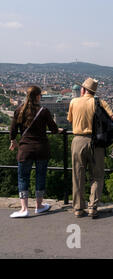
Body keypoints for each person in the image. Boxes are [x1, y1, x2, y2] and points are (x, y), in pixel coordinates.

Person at [67, 78, 113, 218]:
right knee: (97, 175)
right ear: (94, 91)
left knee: (77, 175)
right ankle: (93, 208)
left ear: (83, 90)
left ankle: (78, 208)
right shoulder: (100, 102)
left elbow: (70, 120)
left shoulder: (74, 102)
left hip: (78, 141)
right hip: (97, 142)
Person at [9, 85, 63, 218]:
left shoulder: (19, 110)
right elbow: (53, 128)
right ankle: (39, 206)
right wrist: (59, 130)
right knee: (40, 176)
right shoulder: (43, 111)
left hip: (25, 149)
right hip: (41, 149)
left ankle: (24, 208)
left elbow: (13, 129)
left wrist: (13, 140)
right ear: (38, 96)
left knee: (23, 177)